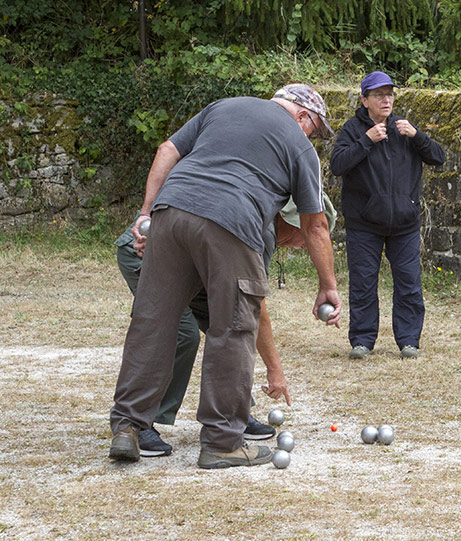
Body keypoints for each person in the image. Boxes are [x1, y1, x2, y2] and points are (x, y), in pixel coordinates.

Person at [109, 83, 343, 468]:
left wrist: (146, 213)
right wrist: (328, 287)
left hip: (170, 213)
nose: (312, 140)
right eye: (315, 130)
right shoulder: (299, 145)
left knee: (152, 323)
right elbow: (315, 226)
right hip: (231, 223)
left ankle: (127, 427)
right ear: (303, 116)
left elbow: (168, 150)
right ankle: (222, 442)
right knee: (233, 329)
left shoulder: (224, 106)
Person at [114, 195, 336, 456]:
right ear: (295, 223)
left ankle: (232, 414)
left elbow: (244, 313)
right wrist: (275, 370)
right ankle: (139, 424)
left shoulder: (263, 224)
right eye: (308, 238)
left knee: (231, 324)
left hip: (194, 265)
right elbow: (257, 307)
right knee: (183, 334)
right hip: (146, 253)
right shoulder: (260, 230)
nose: (305, 248)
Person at [330, 71, 446, 360]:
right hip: (364, 224)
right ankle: (362, 341)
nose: (386, 99)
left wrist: (418, 136)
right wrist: (367, 140)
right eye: (379, 95)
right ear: (364, 100)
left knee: (409, 284)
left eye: (390, 94)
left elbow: (438, 157)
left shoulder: (404, 129)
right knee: (363, 284)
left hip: (404, 224)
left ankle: (409, 341)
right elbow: (337, 165)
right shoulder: (353, 130)